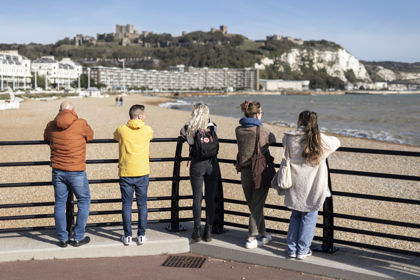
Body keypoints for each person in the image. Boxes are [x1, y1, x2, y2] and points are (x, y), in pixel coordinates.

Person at [283, 111, 340, 260]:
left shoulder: (289, 138)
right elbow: (337, 142)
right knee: (309, 216)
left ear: (300, 121)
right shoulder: (319, 140)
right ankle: (302, 250)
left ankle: (291, 249)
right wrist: (317, 132)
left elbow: (286, 143)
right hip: (313, 185)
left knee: (295, 215)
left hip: (295, 183)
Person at [44, 101, 94, 248]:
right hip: (76, 170)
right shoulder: (80, 123)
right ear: (73, 111)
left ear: (59, 110)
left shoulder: (51, 125)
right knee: (84, 201)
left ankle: (63, 238)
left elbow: (46, 137)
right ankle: (78, 237)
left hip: (58, 170)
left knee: (60, 204)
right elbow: (90, 135)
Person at [235, 100, 276, 249]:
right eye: (261, 113)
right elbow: (273, 139)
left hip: (244, 172)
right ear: (257, 114)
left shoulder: (238, 130)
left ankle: (264, 234)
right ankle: (251, 238)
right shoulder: (262, 131)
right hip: (259, 172)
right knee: (257, 205)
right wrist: (261, 125)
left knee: (254, 206)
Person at [114, 104, 153, 246]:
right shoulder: (147, 130)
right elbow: (149, 136)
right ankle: (141, 235)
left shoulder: (122, 130)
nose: (146, 117)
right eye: (145, 114)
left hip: (126, 172)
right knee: (142, 205)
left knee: (127, 204)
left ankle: (128, 236)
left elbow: (115, 136)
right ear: (140, 116)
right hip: (142, 171)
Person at [180, 103, 219, 242]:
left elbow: (183, 135)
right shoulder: (212, 126)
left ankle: (197, 231)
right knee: (210, 197)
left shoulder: (188, 127)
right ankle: (208, 231)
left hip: (197, 164)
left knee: (197, 197)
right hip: (212, 164)